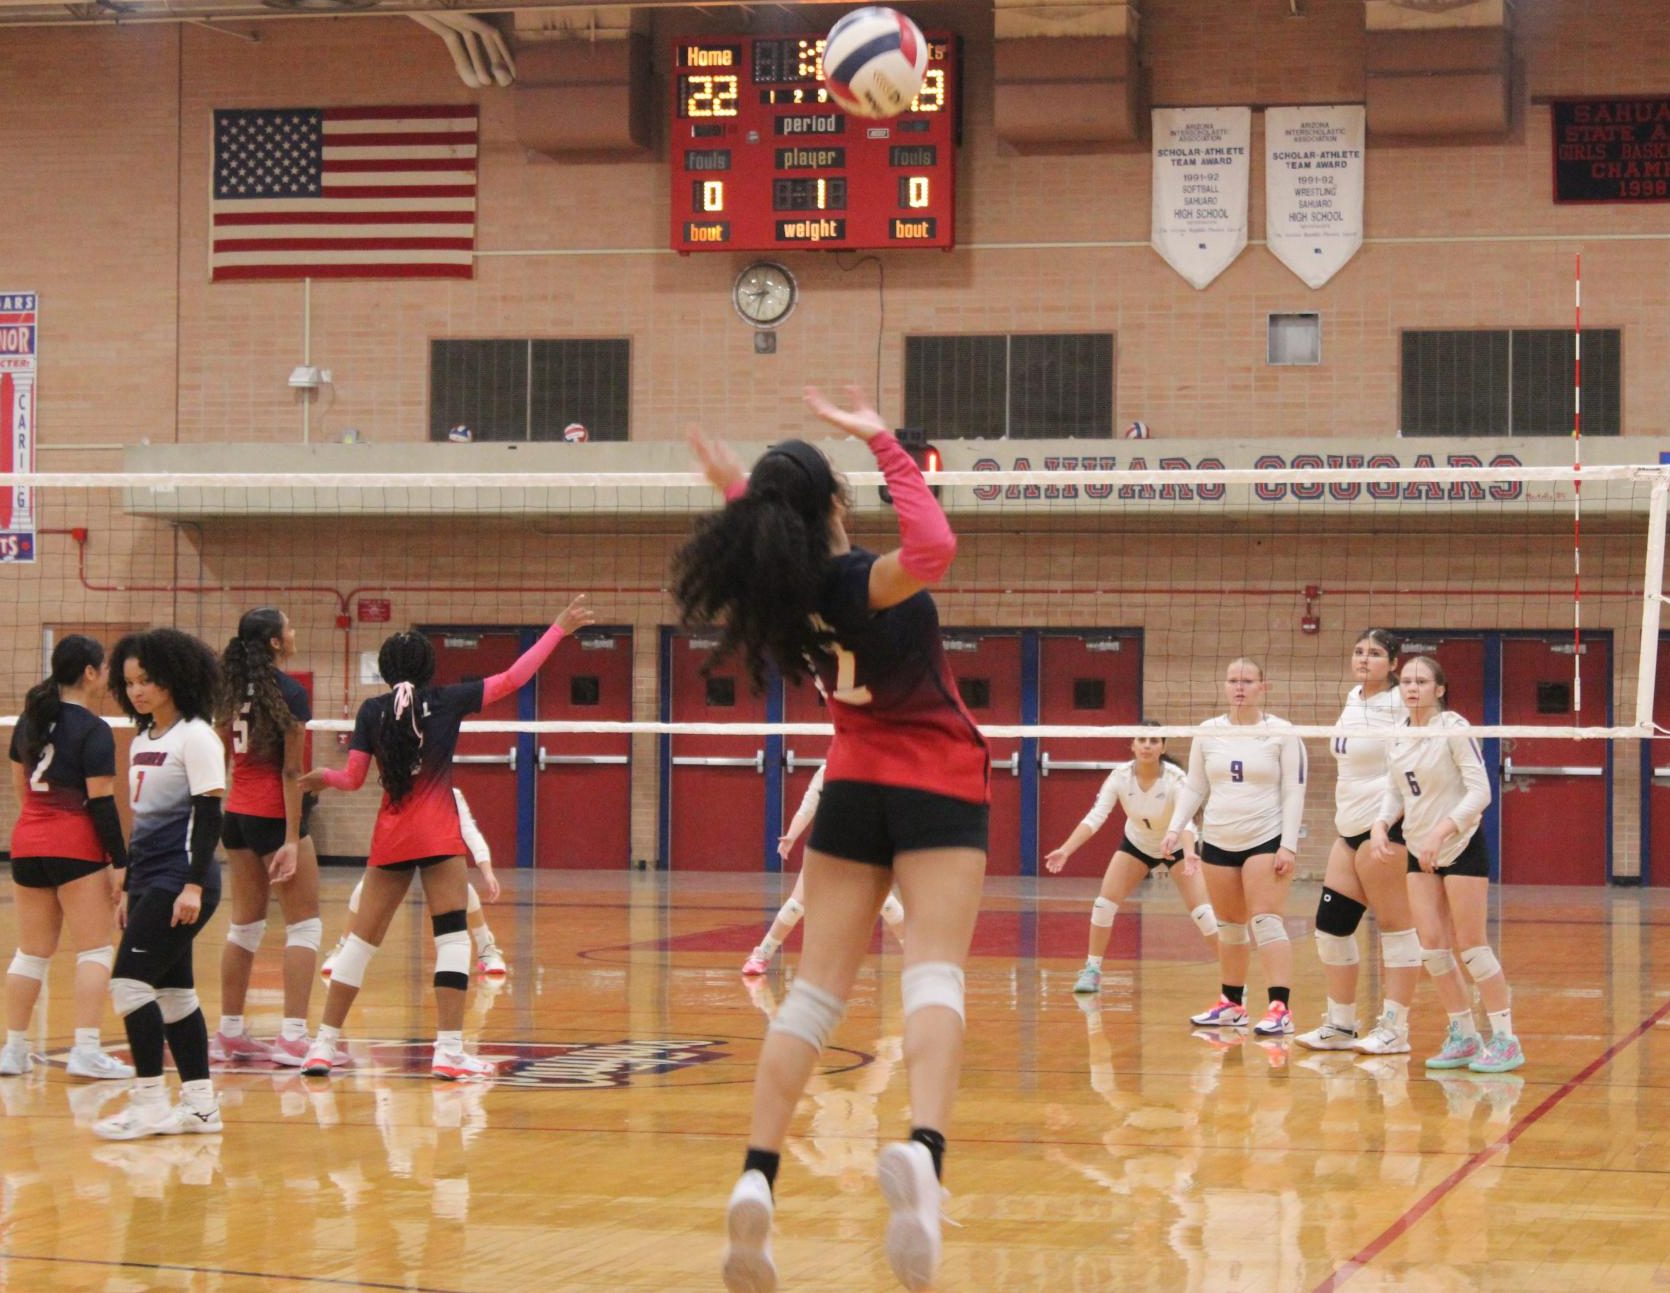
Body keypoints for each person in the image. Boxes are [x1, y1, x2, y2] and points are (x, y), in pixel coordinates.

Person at [677, 386, 988, 1293]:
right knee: (933, 973)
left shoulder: (785, 587)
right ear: (837, 505)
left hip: (850, 787)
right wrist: (886, 443)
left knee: (812, 996)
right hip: (935, 782)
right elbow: (934, 549)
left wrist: (741, 491)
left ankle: (758, 1175)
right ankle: (925, 1154)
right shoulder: (857, 582)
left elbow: (774, 536)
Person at [298, 595, 592, 1081]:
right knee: (453, 940)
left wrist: (320, 778)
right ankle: (449, 1051)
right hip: (438, 835)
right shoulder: (448, 700)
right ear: (429, 667)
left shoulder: (372, 711)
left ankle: (322, 1047)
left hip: (391, 838)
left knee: (357, 945)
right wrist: (558, 629)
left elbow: (351, 779)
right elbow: (515, 677)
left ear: (387, 671)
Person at [1298, 630, 1470, 1056]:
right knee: (1331, 928)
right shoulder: (1354, 698)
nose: (1363, 659)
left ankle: (1395, 1028)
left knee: (1395, 930)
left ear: (1393, 664)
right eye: (1358, 652)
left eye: (1374, 654)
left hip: (1386, 828)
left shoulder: (1401, 704)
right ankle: (1340, 1024)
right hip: (1348, 827)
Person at [94, 628, 228, 1139]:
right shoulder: (145, 739)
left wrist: (193, 886)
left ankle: (149, 1103)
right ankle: (200, 1107)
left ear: (174, 677)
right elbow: (143, 819)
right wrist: (129, 885)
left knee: (128, 983)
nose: (137, 691)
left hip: (183, 878)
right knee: (174, 994)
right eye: (129, 683)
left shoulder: (197, 736)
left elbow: (209, 815)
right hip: (150, 878)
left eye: (147, 680)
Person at [1372, 655, 1523, 1073]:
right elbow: (1395, 789)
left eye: (1421, 681)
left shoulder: (1453, 728)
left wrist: (1444, 831)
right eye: (1405, 681)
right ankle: (1464, 1035)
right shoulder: (1397, 736)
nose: (1411, 688)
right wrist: (1381, 823)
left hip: (1460, 845)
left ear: (1439, 689)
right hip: (1419, 849)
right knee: (1433, 948)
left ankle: (1506, 1039)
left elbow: (1481, 793)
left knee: (1472, 945)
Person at [2, 635, 134, 1080]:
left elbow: (20, 782)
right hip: (75, 846)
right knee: (95, 949)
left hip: (27, 844)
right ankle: (86, 1050)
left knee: (31, 953)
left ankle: (13, 1050)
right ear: (90, 673)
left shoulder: (29, 720)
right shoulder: (93, 729)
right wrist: (120, 861)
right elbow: (101, 803)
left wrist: (38, 826)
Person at [1161, 658, 1305, 1039]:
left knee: (1266, 920)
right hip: (1219, 839)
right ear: (1224, 687)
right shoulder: (1208, 733)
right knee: (1229, 925)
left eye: (1247, 681)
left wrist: (1288, 845)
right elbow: (1195, 787)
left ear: (1263, 687)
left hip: (1266, 837)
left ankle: (1279, 1008)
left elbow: (1294, 790)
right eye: (1232, 681)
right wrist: (1175, 828)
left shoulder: (1282, 732)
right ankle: (1232, 1004)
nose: (1239, 687)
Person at [211, 607, 326, 1067]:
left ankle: (230, 1034)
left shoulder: (230, 692)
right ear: (276, 643)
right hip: (273, 818)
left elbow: (222, 761)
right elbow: (292, 770)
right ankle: (293, 1038)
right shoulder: (290, 693)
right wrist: (293, 837)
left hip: (235, 816)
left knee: (245, 926)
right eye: (290, 627)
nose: (295, 633)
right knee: (305, 926)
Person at [1043, 724, 1217, 994]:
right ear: (1132, 745)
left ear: (1163, 747)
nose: (1147, 745)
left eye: (1154, 741)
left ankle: (1233, 978)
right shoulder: (1120, 777)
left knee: (1203, 913)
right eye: (1141, 740)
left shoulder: (1175, 778)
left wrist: (1191, 851)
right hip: (1137, 844)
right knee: (1103, 904)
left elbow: (1185, 821)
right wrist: (1066, 850)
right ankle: (1092, 969)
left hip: (1176, 844)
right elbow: (1095, 817)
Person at [322, 787, 506, 980]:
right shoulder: (397, 792)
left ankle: (486, 948)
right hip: (401, 856)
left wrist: (487, 871)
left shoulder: (451, 795)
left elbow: (470, 832)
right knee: (362, 890)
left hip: (436, 858)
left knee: (464, 891)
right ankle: (342, 947)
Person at [741, 763, 906, 977]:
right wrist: (791, 836)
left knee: (888, 905)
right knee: (795, 905)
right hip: (826, 849)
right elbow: (807, 808)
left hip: (863, 850)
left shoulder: (879, 770)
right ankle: (761, 955)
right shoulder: (828, 770)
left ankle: (918, 959)